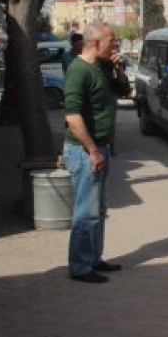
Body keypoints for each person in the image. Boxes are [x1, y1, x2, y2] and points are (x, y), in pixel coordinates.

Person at [62, 23, 129, 284]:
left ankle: (93, 258)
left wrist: (119, 69)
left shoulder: (101, 67)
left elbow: (123, 92)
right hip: (83, 151)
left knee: (98, 210)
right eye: (111, 40)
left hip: (99, 148)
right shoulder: (78, 71)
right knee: (85, 212)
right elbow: (73, 116)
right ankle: (79, 266)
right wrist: (92, 150)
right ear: (96, 43)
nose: (115, 44)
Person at [97, 41, 131, 156]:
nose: (114, 50)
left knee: (110, 124)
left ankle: (110, 147)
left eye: (116, 47)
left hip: (110, 97)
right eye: (111, 45)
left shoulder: (114, 63)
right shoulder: (94, 64)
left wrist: (119, 68)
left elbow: (125, 90)